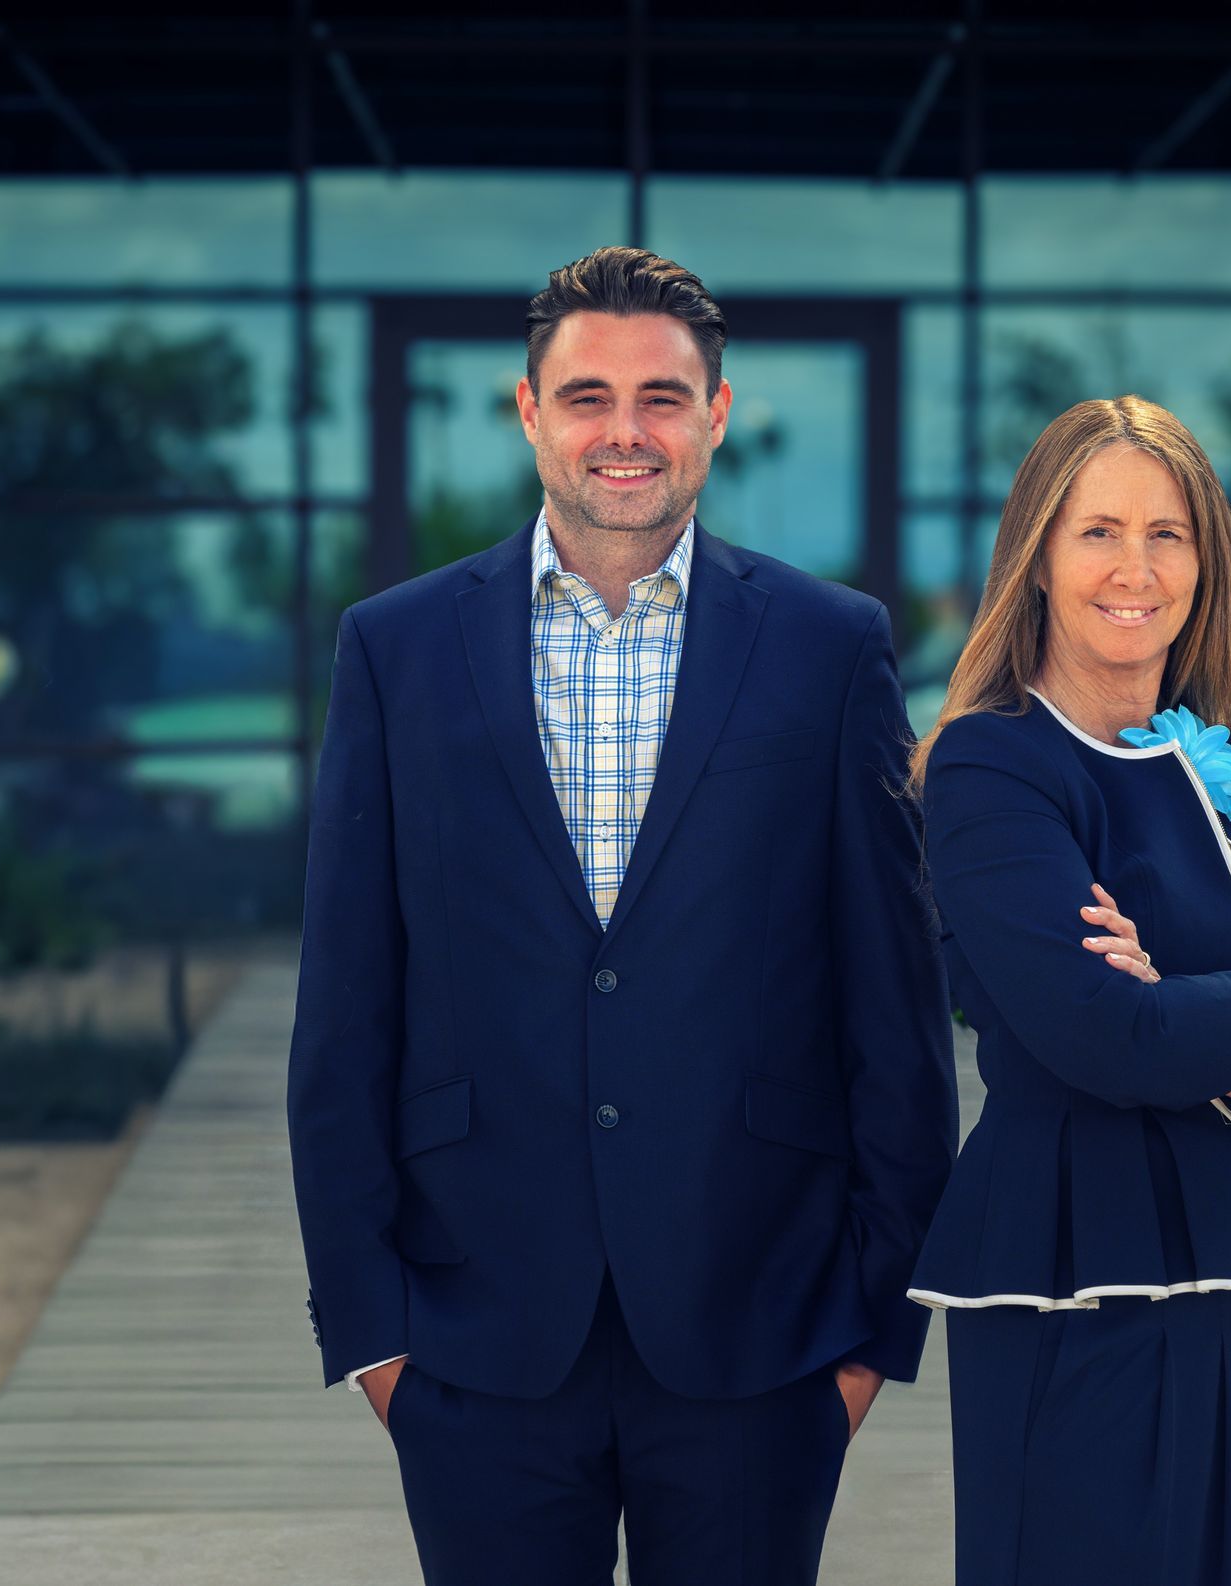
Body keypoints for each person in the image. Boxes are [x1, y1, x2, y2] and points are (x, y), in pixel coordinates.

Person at [287, 246, 957, 1586]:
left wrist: (874, 1331)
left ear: (717, 413)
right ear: (529, 411)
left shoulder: (831, 647)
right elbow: (348, 1004)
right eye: (587, 395)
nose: (625, 432)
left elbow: (893, 1004)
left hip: (759, 1328)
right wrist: (373, 1336)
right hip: (474, 1331)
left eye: (664, 396)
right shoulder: (397, 647)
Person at [904, 395, 1231, 1586]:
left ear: (1207, 560)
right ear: (1037, 556)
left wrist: (1211, 1023)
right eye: (1097, 531)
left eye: (1168, 533)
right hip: (1096, 1291)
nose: (1134, 567)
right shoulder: (994, 765)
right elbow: (1114, 1039)